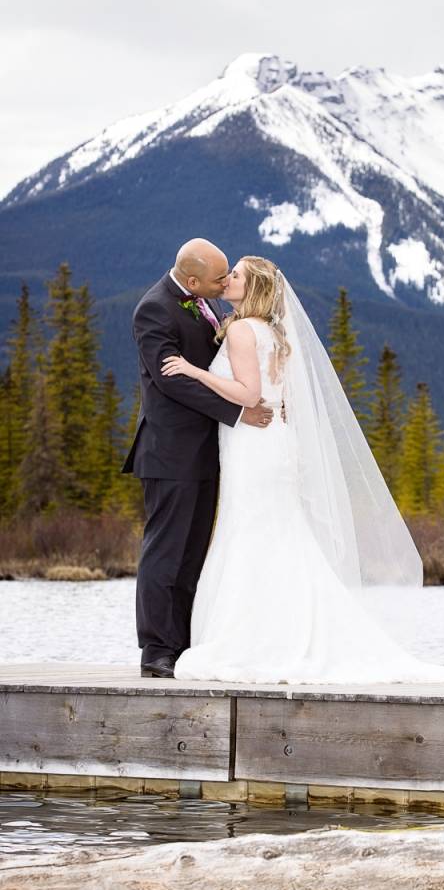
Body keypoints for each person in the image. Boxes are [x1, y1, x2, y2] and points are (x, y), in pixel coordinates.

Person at [162, 255, 444, 684]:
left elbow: (249, 394)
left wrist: (194, 371)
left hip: (254, 446)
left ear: (253, 289)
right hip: (272, 443)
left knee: (252, 534)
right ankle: (288, 631)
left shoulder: (244, 331)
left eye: (237, 276)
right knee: (278, 534)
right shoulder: (272, 332)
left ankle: (258, 640)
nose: (228, 279)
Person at [123, 240, 273, 679]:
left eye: (230, 276)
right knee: (165, 552)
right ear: (192, 281)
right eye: (217, 279)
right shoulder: (153, 310)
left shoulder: (202, 304)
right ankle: (156, 648)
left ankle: (182, 642)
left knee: (193, 554)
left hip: (207, 450)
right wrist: (238, 412)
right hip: (170, 452)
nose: (225, 283)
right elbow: (174, 383)